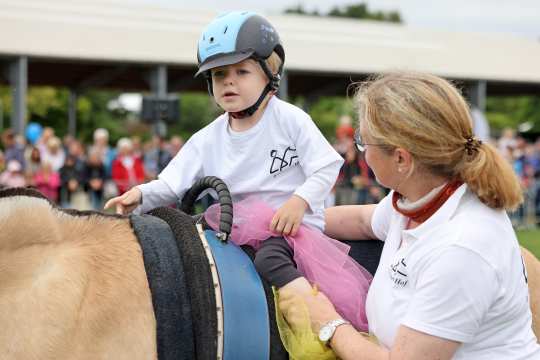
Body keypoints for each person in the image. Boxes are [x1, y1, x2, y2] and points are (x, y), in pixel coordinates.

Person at [105, 12, 377, 328]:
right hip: (235, 226)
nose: (228, 81)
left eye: (242, 71)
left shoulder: (290, 119)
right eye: (219, 75)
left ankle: (319, 321)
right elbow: (171, 183)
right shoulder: (207, 138)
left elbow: (327, 166)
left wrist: (298, 202)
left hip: (290, 230)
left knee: (270, 260)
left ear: (269, 75)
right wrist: (139, 194)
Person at [279, 72, 540, 359]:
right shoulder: (419, 198)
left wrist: (327, 321)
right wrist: (295, 217)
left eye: (363, 141)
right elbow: (363, 221)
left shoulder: (461, 247)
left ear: (401, 159)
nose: (361, 151)